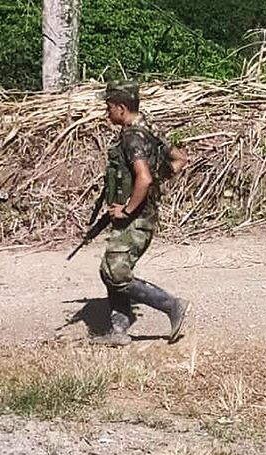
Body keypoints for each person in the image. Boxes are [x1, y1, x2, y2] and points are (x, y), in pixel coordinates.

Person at [90, 79, 191, 346]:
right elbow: (179, 159)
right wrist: (159, 178)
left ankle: (171, 305)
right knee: (113, 268)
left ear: (121, 108)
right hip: (145, 214)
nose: (107, 112)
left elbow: (143, 178)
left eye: (109, 107)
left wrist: (128, 208)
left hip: (136, 218)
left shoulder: (132, 136)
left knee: (114, 272)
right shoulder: (150, 129)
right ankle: (118, 331)